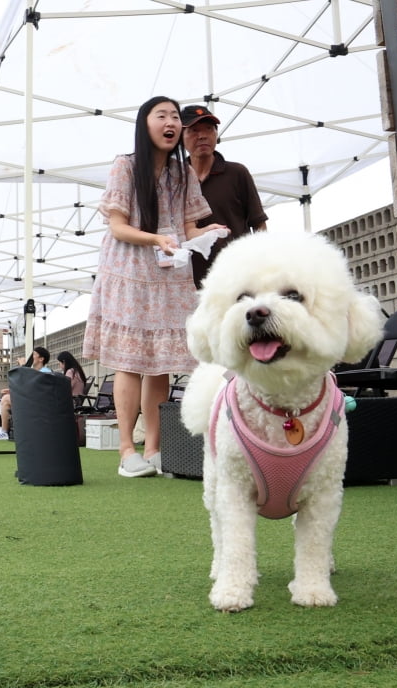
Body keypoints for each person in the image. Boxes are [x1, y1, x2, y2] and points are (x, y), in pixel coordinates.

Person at [83, 95, 226, 478]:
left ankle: (154, 449)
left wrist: (206, 231)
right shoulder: (125, 166)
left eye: (175, 117)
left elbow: (188, 227)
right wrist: (157, 240)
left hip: (167, 274)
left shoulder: (182, 173)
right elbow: (117, 225)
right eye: (161, 115)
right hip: (128, 270)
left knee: (160, 364)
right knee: (129, 362)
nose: (171, 122)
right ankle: (126, 450)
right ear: (144, 124)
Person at [180, 104, 268, 289]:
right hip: (188, 280)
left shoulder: (237, 173)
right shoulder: (174, 180)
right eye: (194, 131)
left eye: (209, 129)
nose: (202, 135)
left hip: (237, 277)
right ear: (181, 139)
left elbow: (259, 224)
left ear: (216, 135)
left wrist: (263, 265)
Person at [0, 349, 54, 441]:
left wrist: (23, 366)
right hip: (32, 401)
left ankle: (4, 431)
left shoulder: (45, 371)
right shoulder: (33, 372)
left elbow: (36, 388)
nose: (31, 357)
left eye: (34, 354)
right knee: (5, 398)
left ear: (41, 359)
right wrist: (11, 390)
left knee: (6, 399)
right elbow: (26, 387)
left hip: (39, 403)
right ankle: (3, 431)